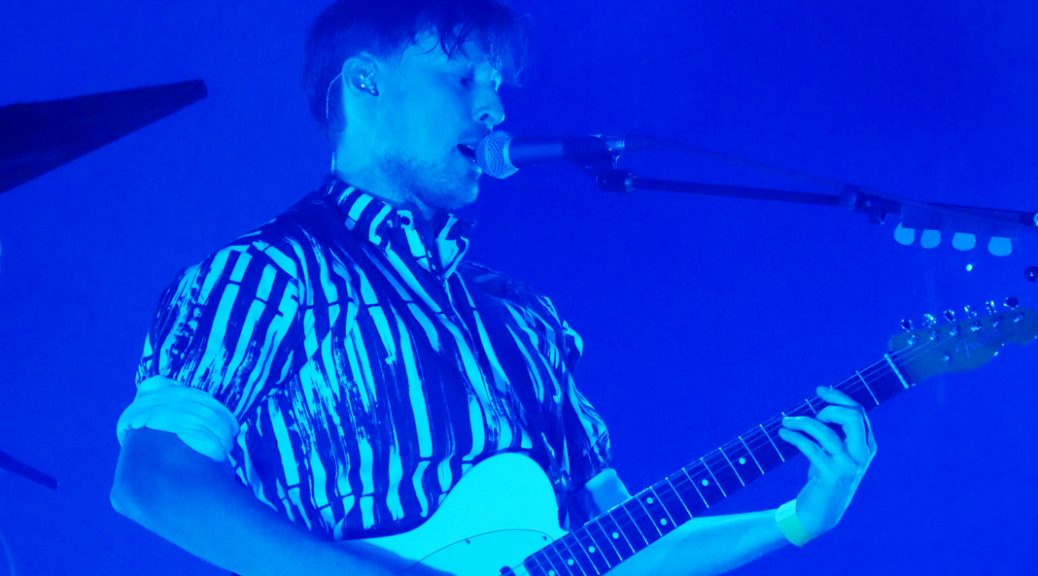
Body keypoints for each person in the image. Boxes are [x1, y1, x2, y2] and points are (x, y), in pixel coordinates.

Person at [110, 1, 878, 575]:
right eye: (462, 77)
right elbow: (153, 480)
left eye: (498, 84)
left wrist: (793, 520)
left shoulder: (524, 319)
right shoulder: (266, 275)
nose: (494, 108)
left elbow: (620, 547)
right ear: (367, 83)